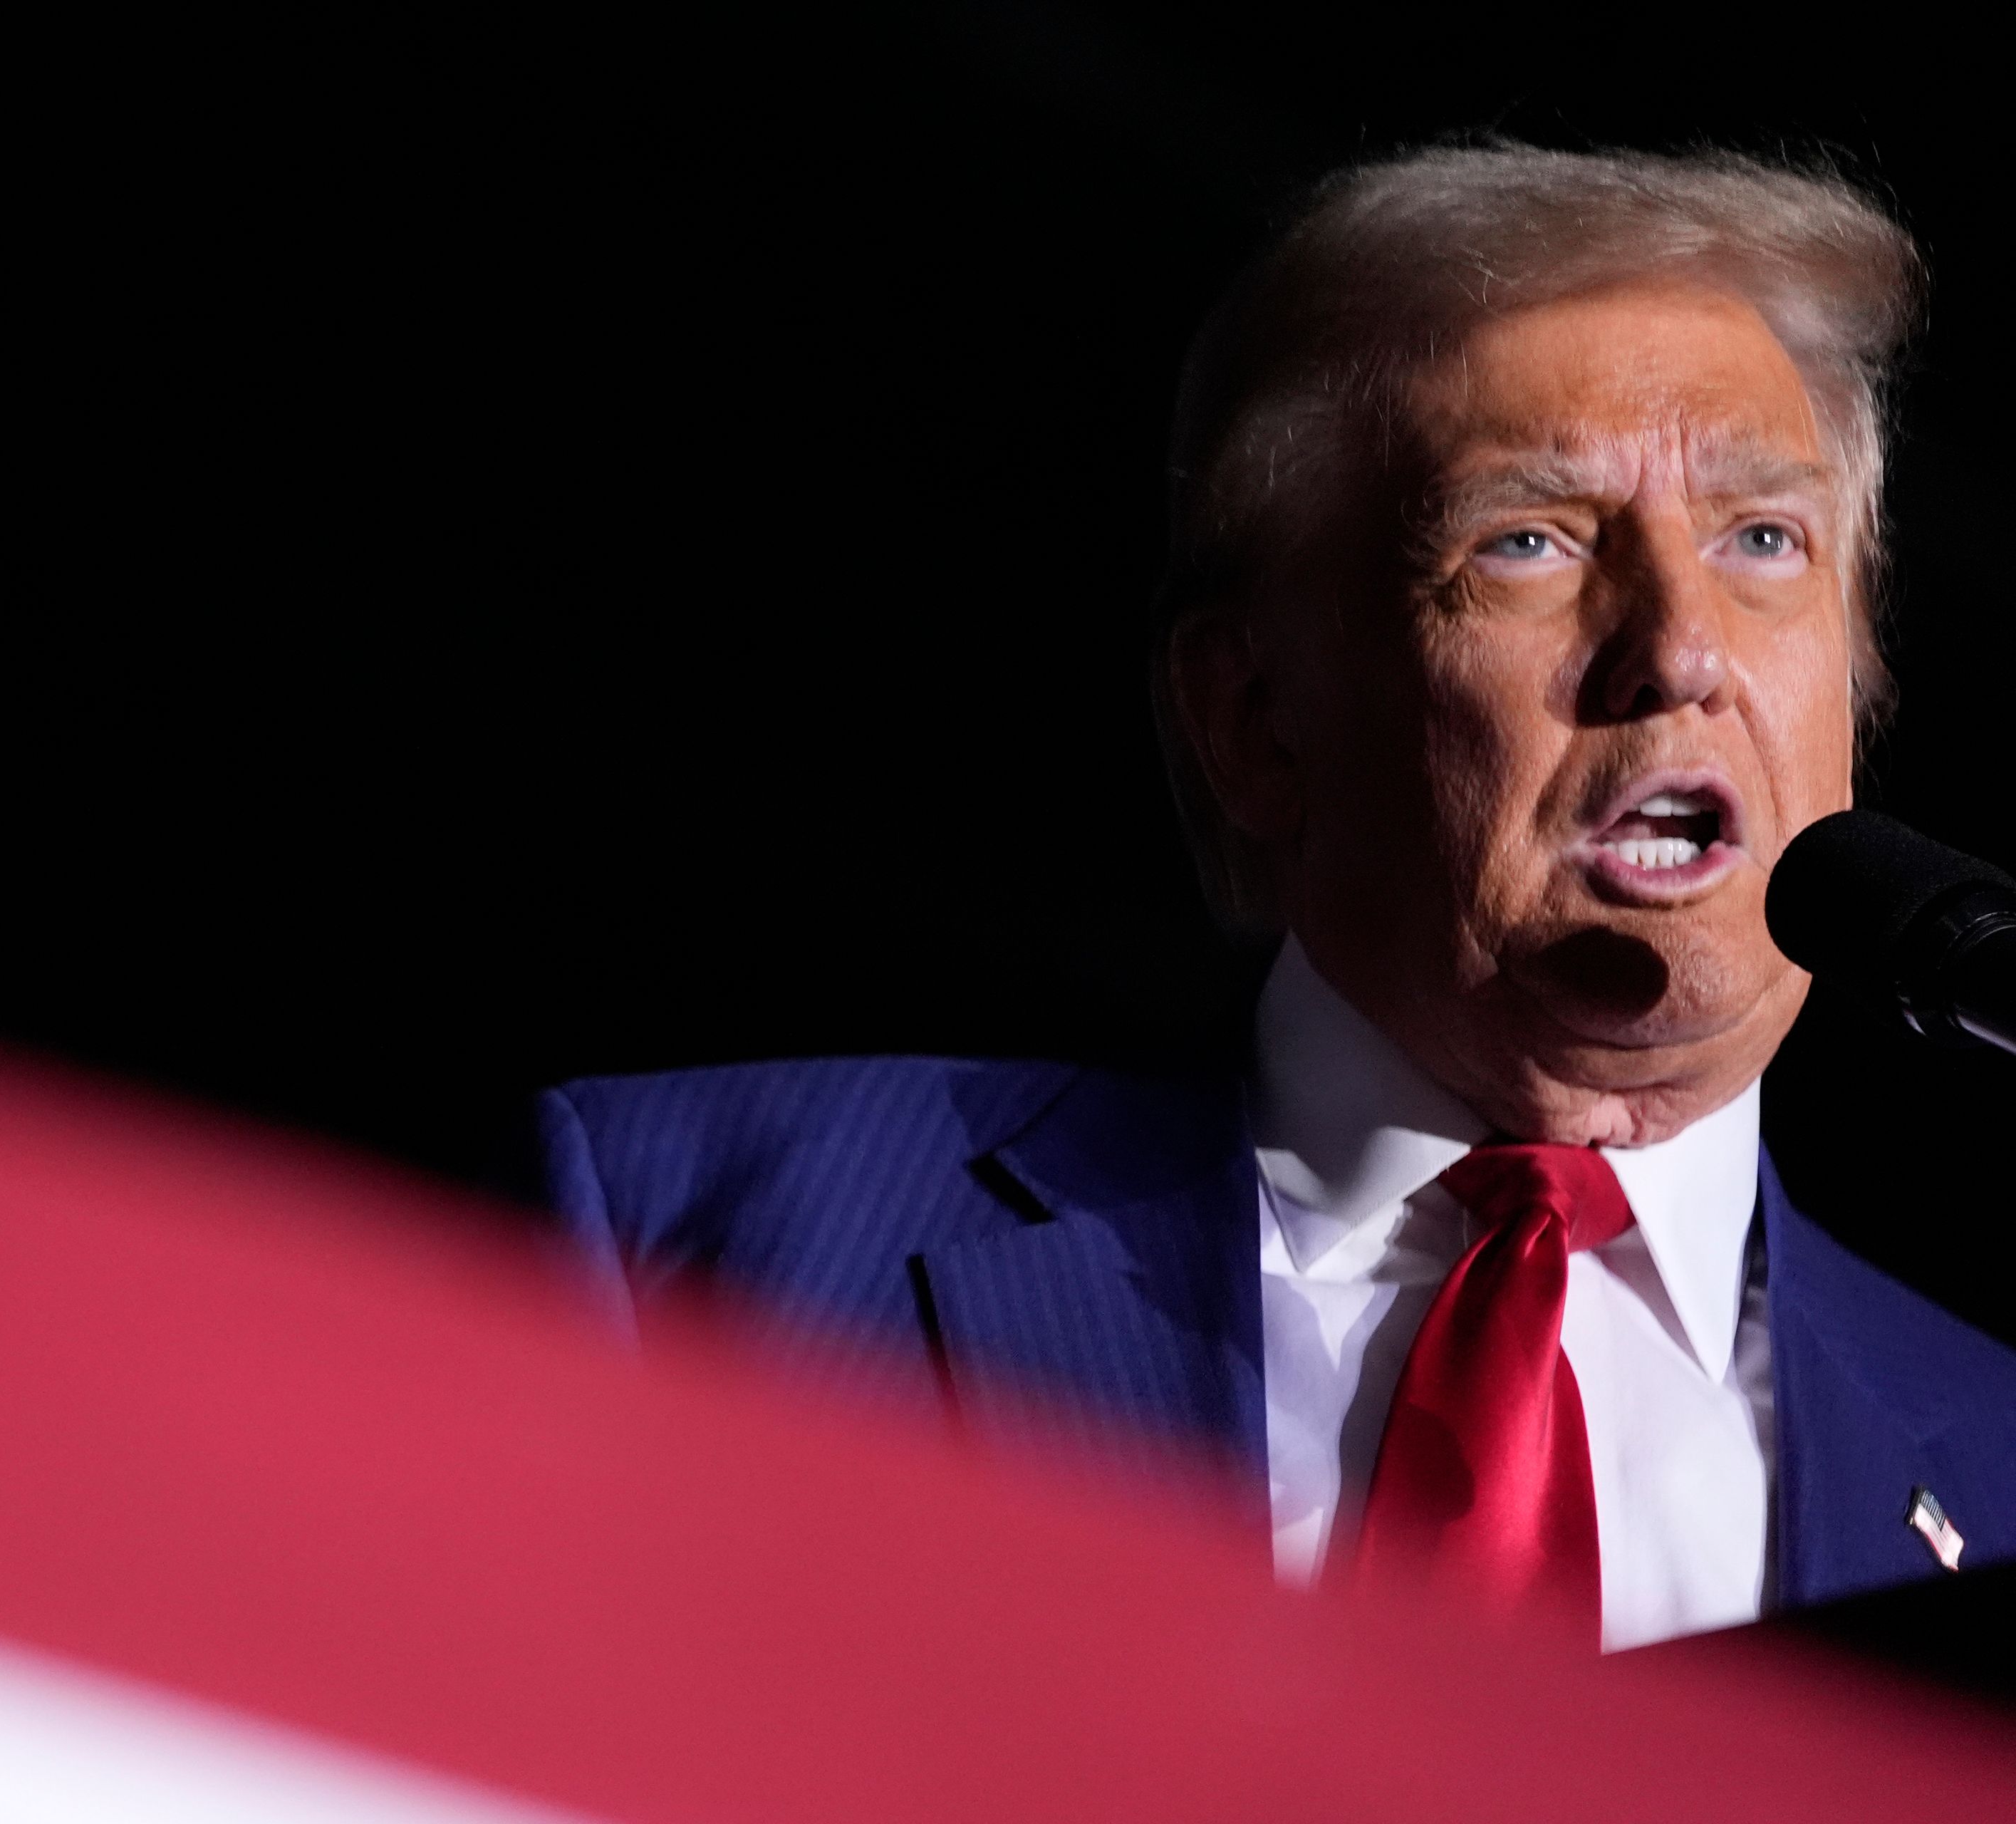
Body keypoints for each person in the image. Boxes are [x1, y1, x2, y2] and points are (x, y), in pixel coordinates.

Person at [529, 145, 2016, 1652]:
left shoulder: (2002, 1466)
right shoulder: (695, 1243)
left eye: (1764, 539)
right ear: (1253, 716)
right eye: (1529, 542)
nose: (1681, 648)